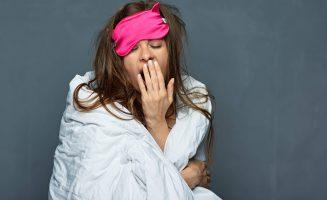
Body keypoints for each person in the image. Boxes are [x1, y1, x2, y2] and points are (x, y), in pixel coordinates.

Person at [48, 1, 221, 199]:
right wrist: (188, 177)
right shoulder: (92, 113)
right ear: (119, 63)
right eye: (132, 48)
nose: (146, 55)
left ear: (170, 52)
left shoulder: (193, 103)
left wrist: (157, 120)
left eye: (155, 45)